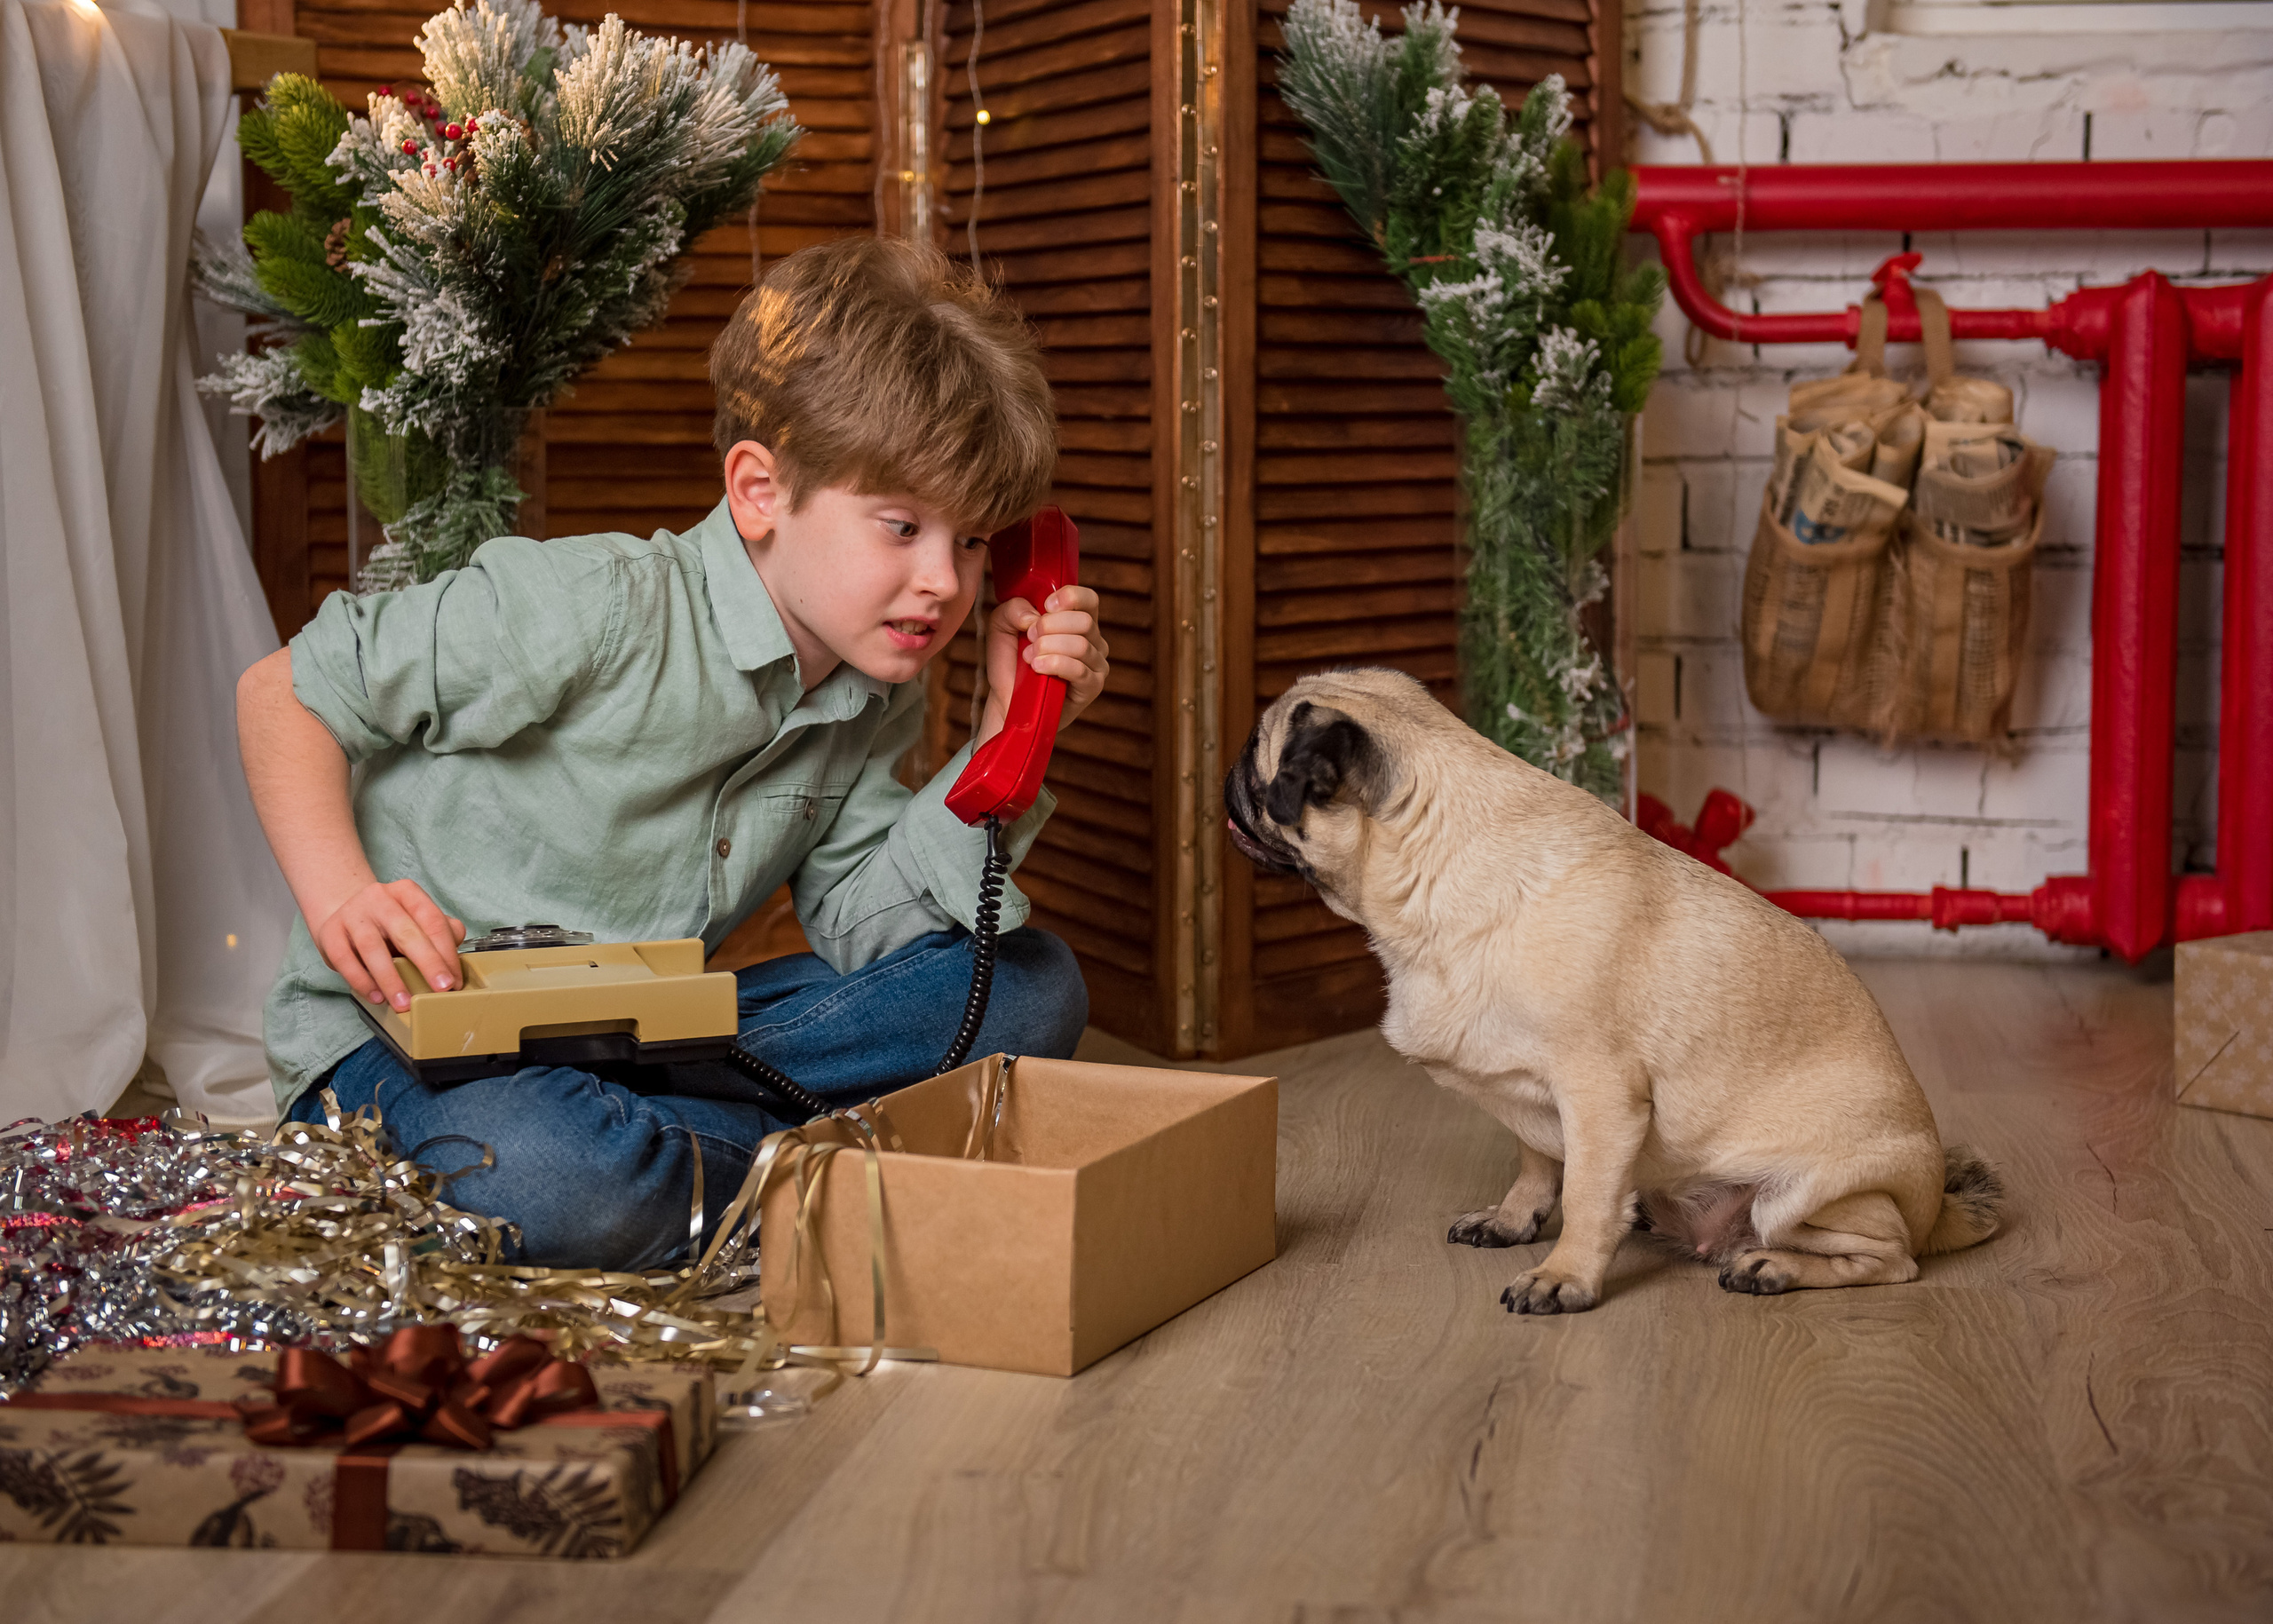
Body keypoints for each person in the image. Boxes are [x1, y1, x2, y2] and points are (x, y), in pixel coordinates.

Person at [235, 235, 1109, 1269]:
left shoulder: (871, 695)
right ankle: (821, 1170)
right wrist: (344, 895)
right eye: (901, 525)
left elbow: (863, 930)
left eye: (970, 542)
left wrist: (1006, 736)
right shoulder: (591, 603)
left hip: (637, 1038)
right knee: (553, 1168)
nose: (945, 582)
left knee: (1030, 984)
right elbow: (285, 688)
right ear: (759, 492)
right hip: (405, 1045)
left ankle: (699, 1169)